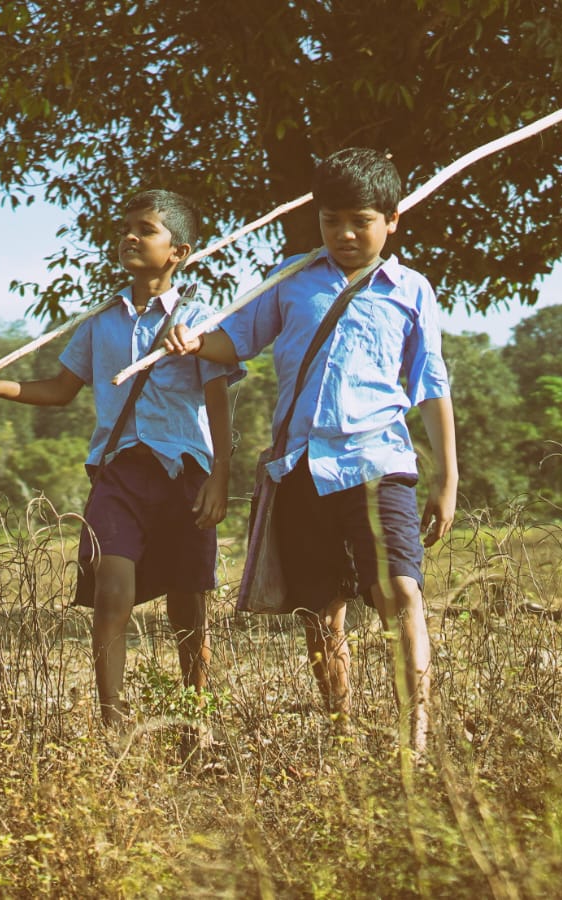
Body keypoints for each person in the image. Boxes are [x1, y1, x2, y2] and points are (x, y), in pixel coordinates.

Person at [163, 149, 457, 754]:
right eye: (331, 221)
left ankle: (416, 738)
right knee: (321, 613)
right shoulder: (290, 279)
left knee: (400, 592)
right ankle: (340, 729)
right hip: (299, 467)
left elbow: (431, 386)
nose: (345, 234)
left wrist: (447, 479)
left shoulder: (411, 290)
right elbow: (234, 343)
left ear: (392, 220)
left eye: (361, 220)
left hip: (379, 464)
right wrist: (192, 341)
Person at [0, 189, 241, 729]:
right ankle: (113, 723)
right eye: (126, 228)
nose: (130, 236)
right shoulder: (99, 320)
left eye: (146, 229)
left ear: (178, 251)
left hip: (186, 473)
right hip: (117, 474)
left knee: (190, 604)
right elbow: (62, 389)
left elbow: (219, 396)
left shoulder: (201, 319)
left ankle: (194, 713)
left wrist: (221, 476)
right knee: (112, 589)